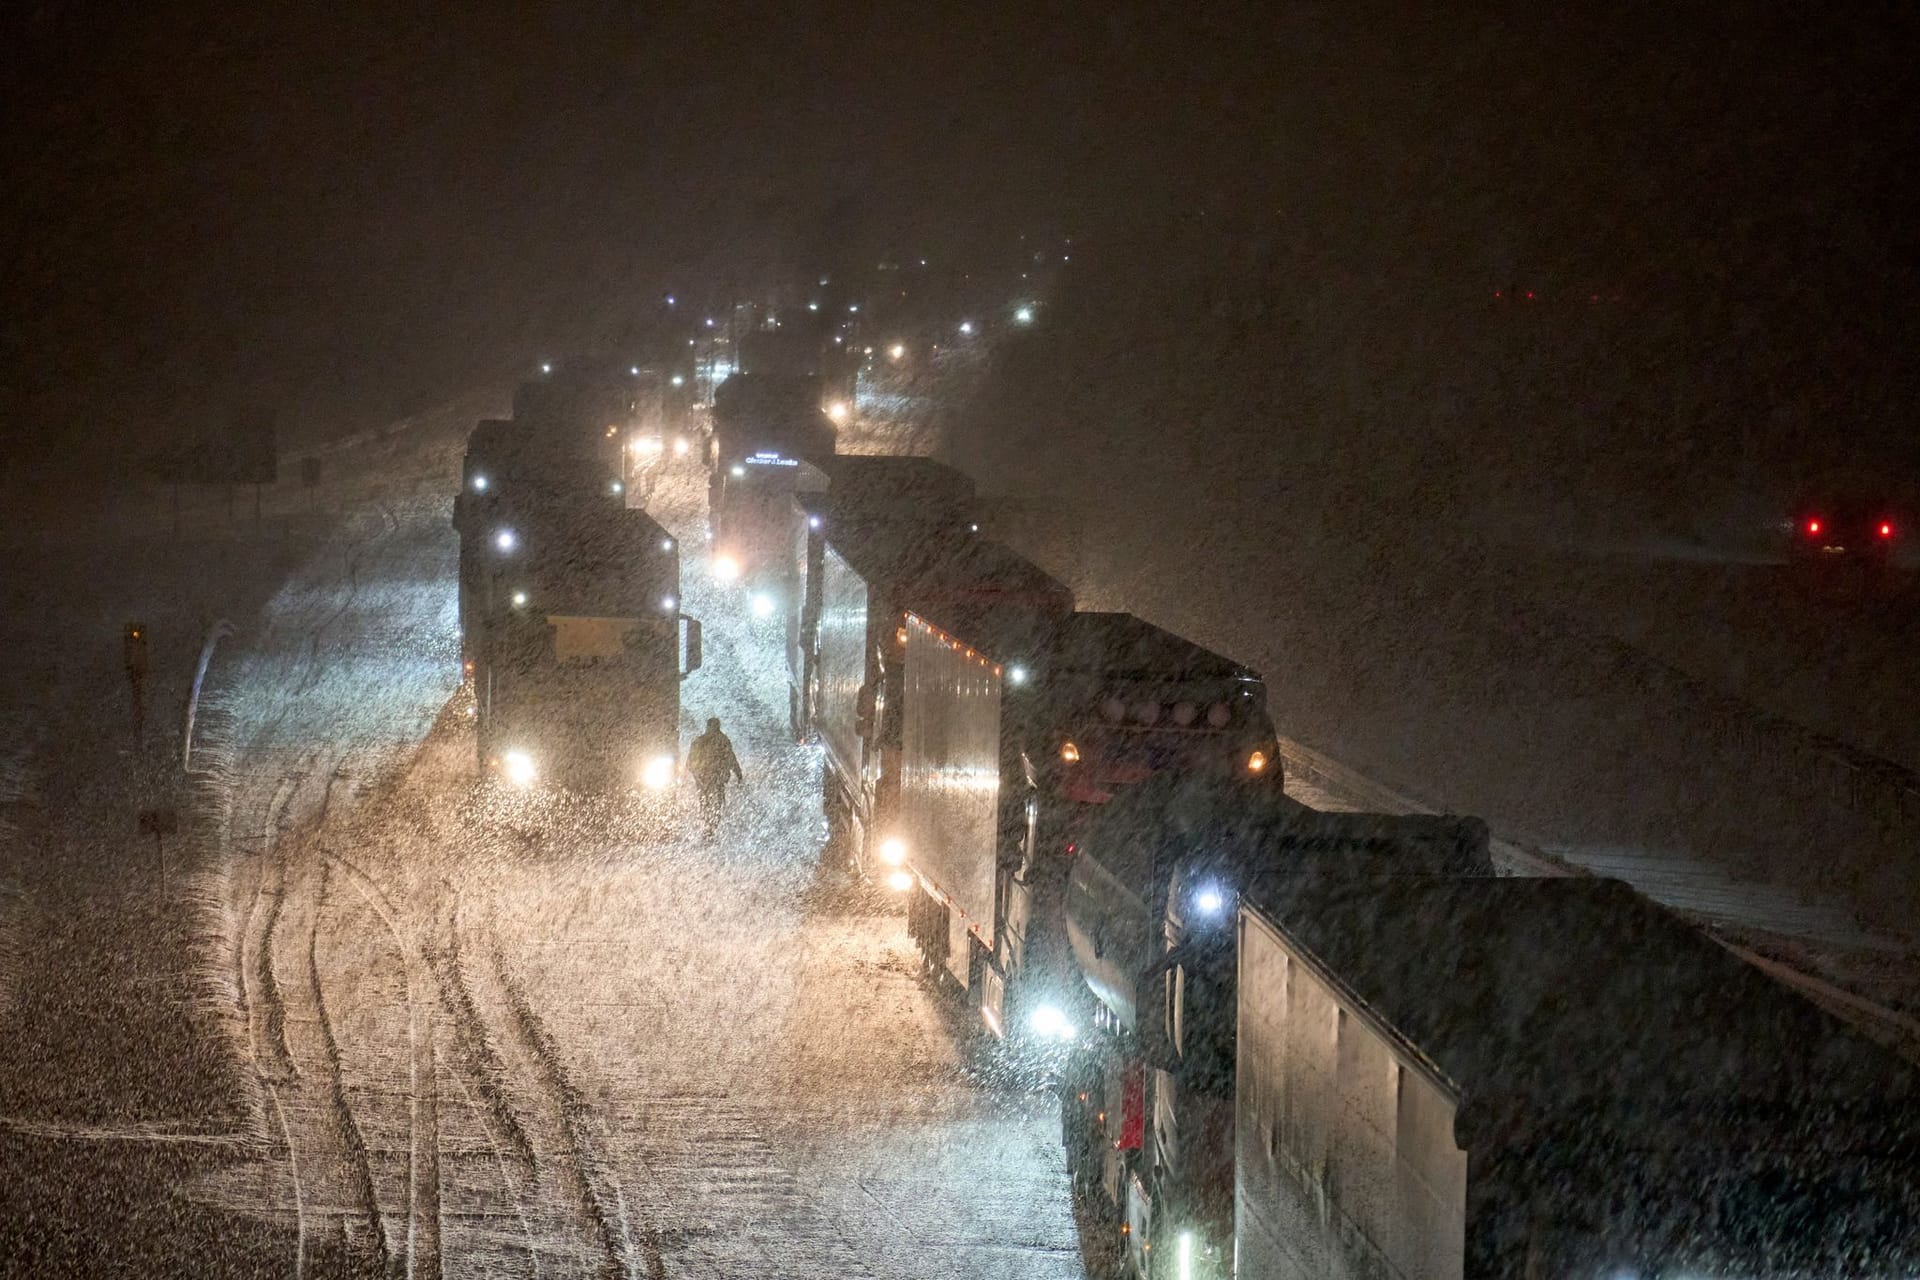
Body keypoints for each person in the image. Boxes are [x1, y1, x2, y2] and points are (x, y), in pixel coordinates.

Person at [686, 716, 744, 831]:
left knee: (705, 803)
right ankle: (712, 825)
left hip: (703, 779)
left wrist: (697, 775)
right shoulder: (723, 740)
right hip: (717, 778)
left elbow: (689, 763)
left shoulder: (699, 741)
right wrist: (738, 774)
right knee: (716, 803)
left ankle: (708, 825)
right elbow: (731, 758)